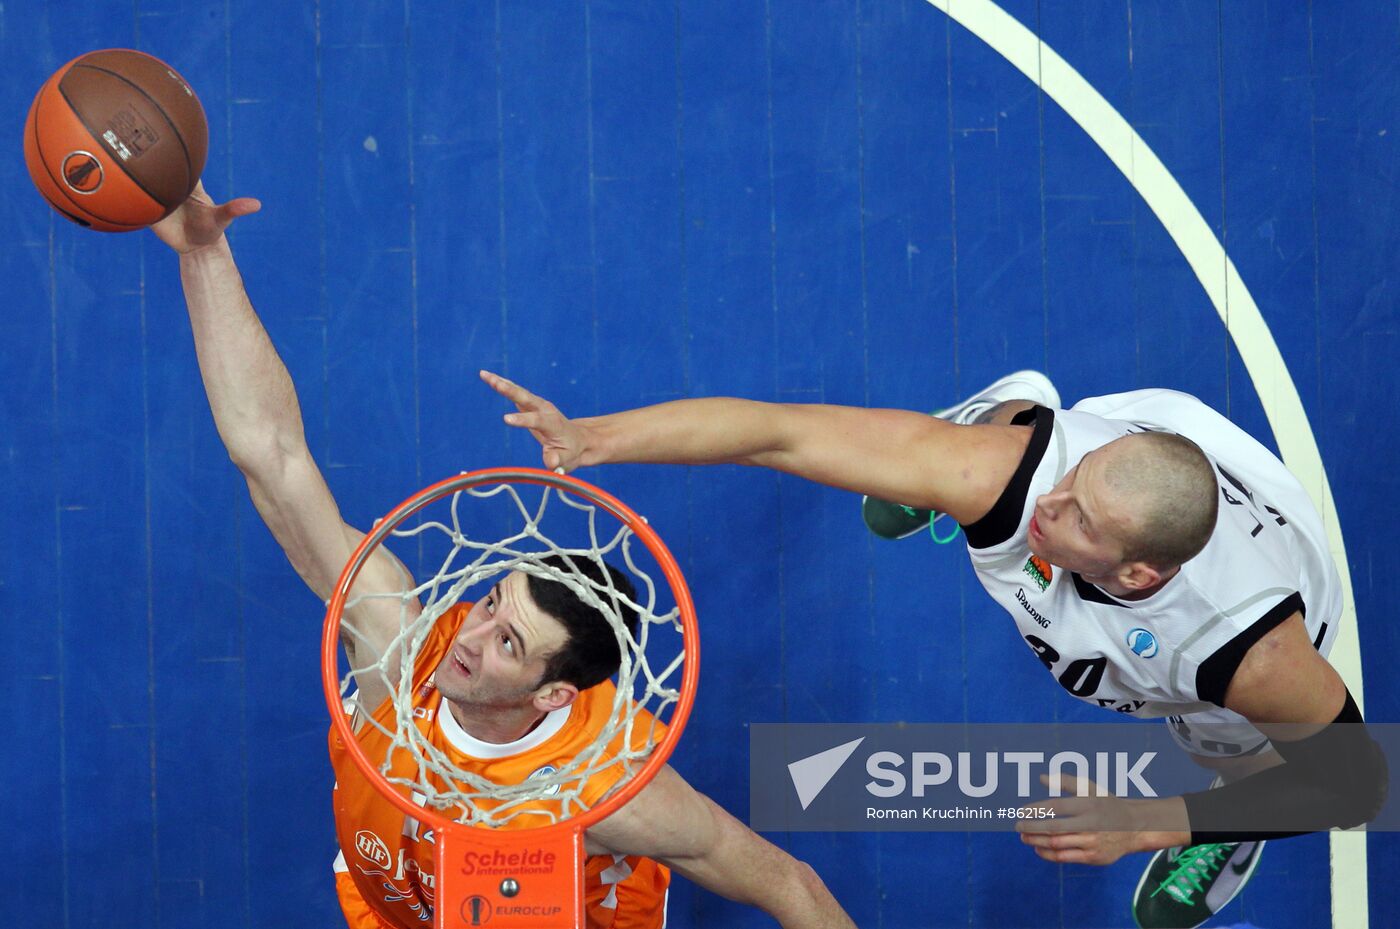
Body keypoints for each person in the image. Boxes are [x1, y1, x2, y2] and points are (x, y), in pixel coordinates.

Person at [152, 184, 856, 929]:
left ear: (554, 693)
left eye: (509, 642)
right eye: (492, 603)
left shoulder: (607, 784)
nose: (471, 635)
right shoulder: (404, 652)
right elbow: (270, 454)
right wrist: (204, 253)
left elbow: (793, 887)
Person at [481, 368, 1387, 929]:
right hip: (1127, 454)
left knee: (1239, 758)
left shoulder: (1248, 657)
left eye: (1077, 519)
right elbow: (779, 432)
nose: (1048, 510)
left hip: (1248, 608)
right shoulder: (1021, 478)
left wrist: (1156, 821)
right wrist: (594, 437)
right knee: (996, 448)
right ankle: (1007, 404)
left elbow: (1362, 784)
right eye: (1067, 486)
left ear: (1137, 573)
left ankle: (1223, 824)